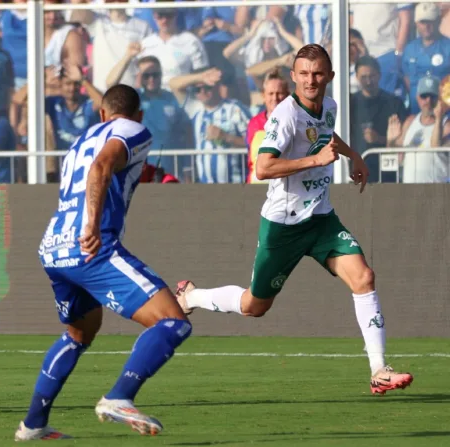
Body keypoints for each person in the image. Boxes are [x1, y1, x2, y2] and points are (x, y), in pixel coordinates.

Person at [175, 44, 414, 395]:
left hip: (321, 220)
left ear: (330, 76)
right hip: (284, 225)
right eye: (303, 73)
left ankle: (378, 369)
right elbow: (263, 167)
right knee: (254, 307)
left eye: (317, 73)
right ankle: (192, 297)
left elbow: (326, 135)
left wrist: (354, 156)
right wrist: (314, 162)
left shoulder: (328, 106)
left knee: (363, 277)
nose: (310, 80)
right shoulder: (285, 116)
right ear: (294, 77)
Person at [15, 84, 192, 441]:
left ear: (101, 114)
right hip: (90, 247)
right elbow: (101, 168)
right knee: (173, 322)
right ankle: (119, 396)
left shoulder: (81, 140)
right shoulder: (132, 129)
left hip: (53, 247)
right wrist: (93, 225)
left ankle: (33, 424)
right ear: (138, 115)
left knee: (79, 332)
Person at [246, 69, 290, 184]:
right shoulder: (254, 123)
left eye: (279, 93)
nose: (275, 98)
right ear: (263, 96)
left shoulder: (294, 122)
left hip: (283, 190)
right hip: (255, 188)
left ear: (287, 96)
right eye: (270, 93)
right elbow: (251, 160)